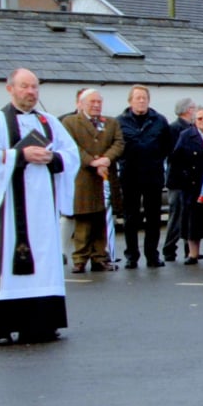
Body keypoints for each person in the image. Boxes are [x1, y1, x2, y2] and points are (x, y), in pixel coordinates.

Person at [0, 68, 80, 343]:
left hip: (41, 207)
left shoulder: (48, 122)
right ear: (10, 88)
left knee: (45, 259)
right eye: (25, 87)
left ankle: (41, 323)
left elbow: (71, 155)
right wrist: (19, 155)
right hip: (7, 209)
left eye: (35, 87)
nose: (31, 93)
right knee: (5, 259)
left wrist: (53, 158)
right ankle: (2, 326)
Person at [60, 88, 125, 273]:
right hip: (83, 176)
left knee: (102, 219)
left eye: (99, 102)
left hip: (105, 177)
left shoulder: (111, 123)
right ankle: (80, 258)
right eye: (92, 102)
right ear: (80, 104)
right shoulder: (70, 122)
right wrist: (92, 161)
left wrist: (107, 159)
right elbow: (71, 146)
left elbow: (119, 143)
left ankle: (99, 257)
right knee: (83, 219)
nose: (96, 105)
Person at [115, 85, 171, 269]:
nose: (141, 101)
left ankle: (152, 255)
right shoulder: (120, 122)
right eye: (137, 98)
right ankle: (132, 255)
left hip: (153, 175)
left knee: (153, 218)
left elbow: (167, 147)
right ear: (130, 100)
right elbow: (117, 146)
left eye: (144, 98)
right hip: (129, 175)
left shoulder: (159, 120)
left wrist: (155, 160)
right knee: (131, 218)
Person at [163, 97, 201, 264]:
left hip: (191, 180)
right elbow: (173, 155)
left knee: (189, 215)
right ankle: (169, 249)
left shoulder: (192, 128)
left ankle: (189, 249)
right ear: (188, 110)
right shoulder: (174, 129)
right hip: (178, 180)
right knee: (177, 215)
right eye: (194, 108)